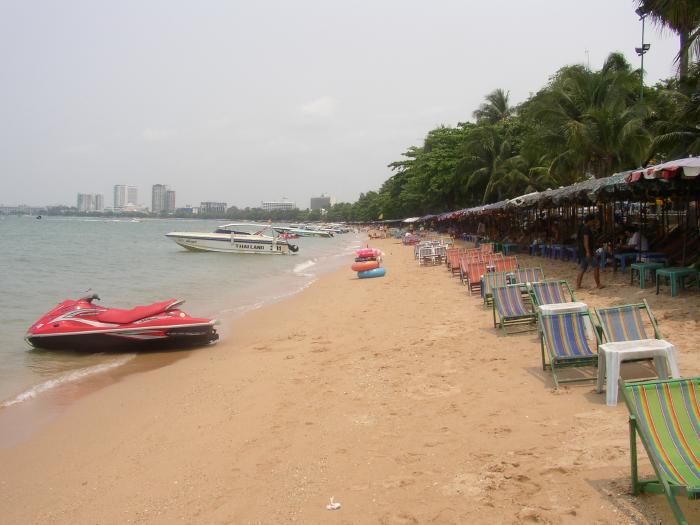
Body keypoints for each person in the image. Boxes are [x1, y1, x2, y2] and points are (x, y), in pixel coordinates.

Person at [576, 213, 604, 290]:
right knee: (596, 266)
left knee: (583, 268)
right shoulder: (586, 229)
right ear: (589, 221)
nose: (593, 223)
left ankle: (578, 285)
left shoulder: (583, 227)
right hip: (586, 252)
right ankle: (598, 284)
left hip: (583, 251)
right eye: (593, 221)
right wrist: (588, 252)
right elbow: (586, 241)